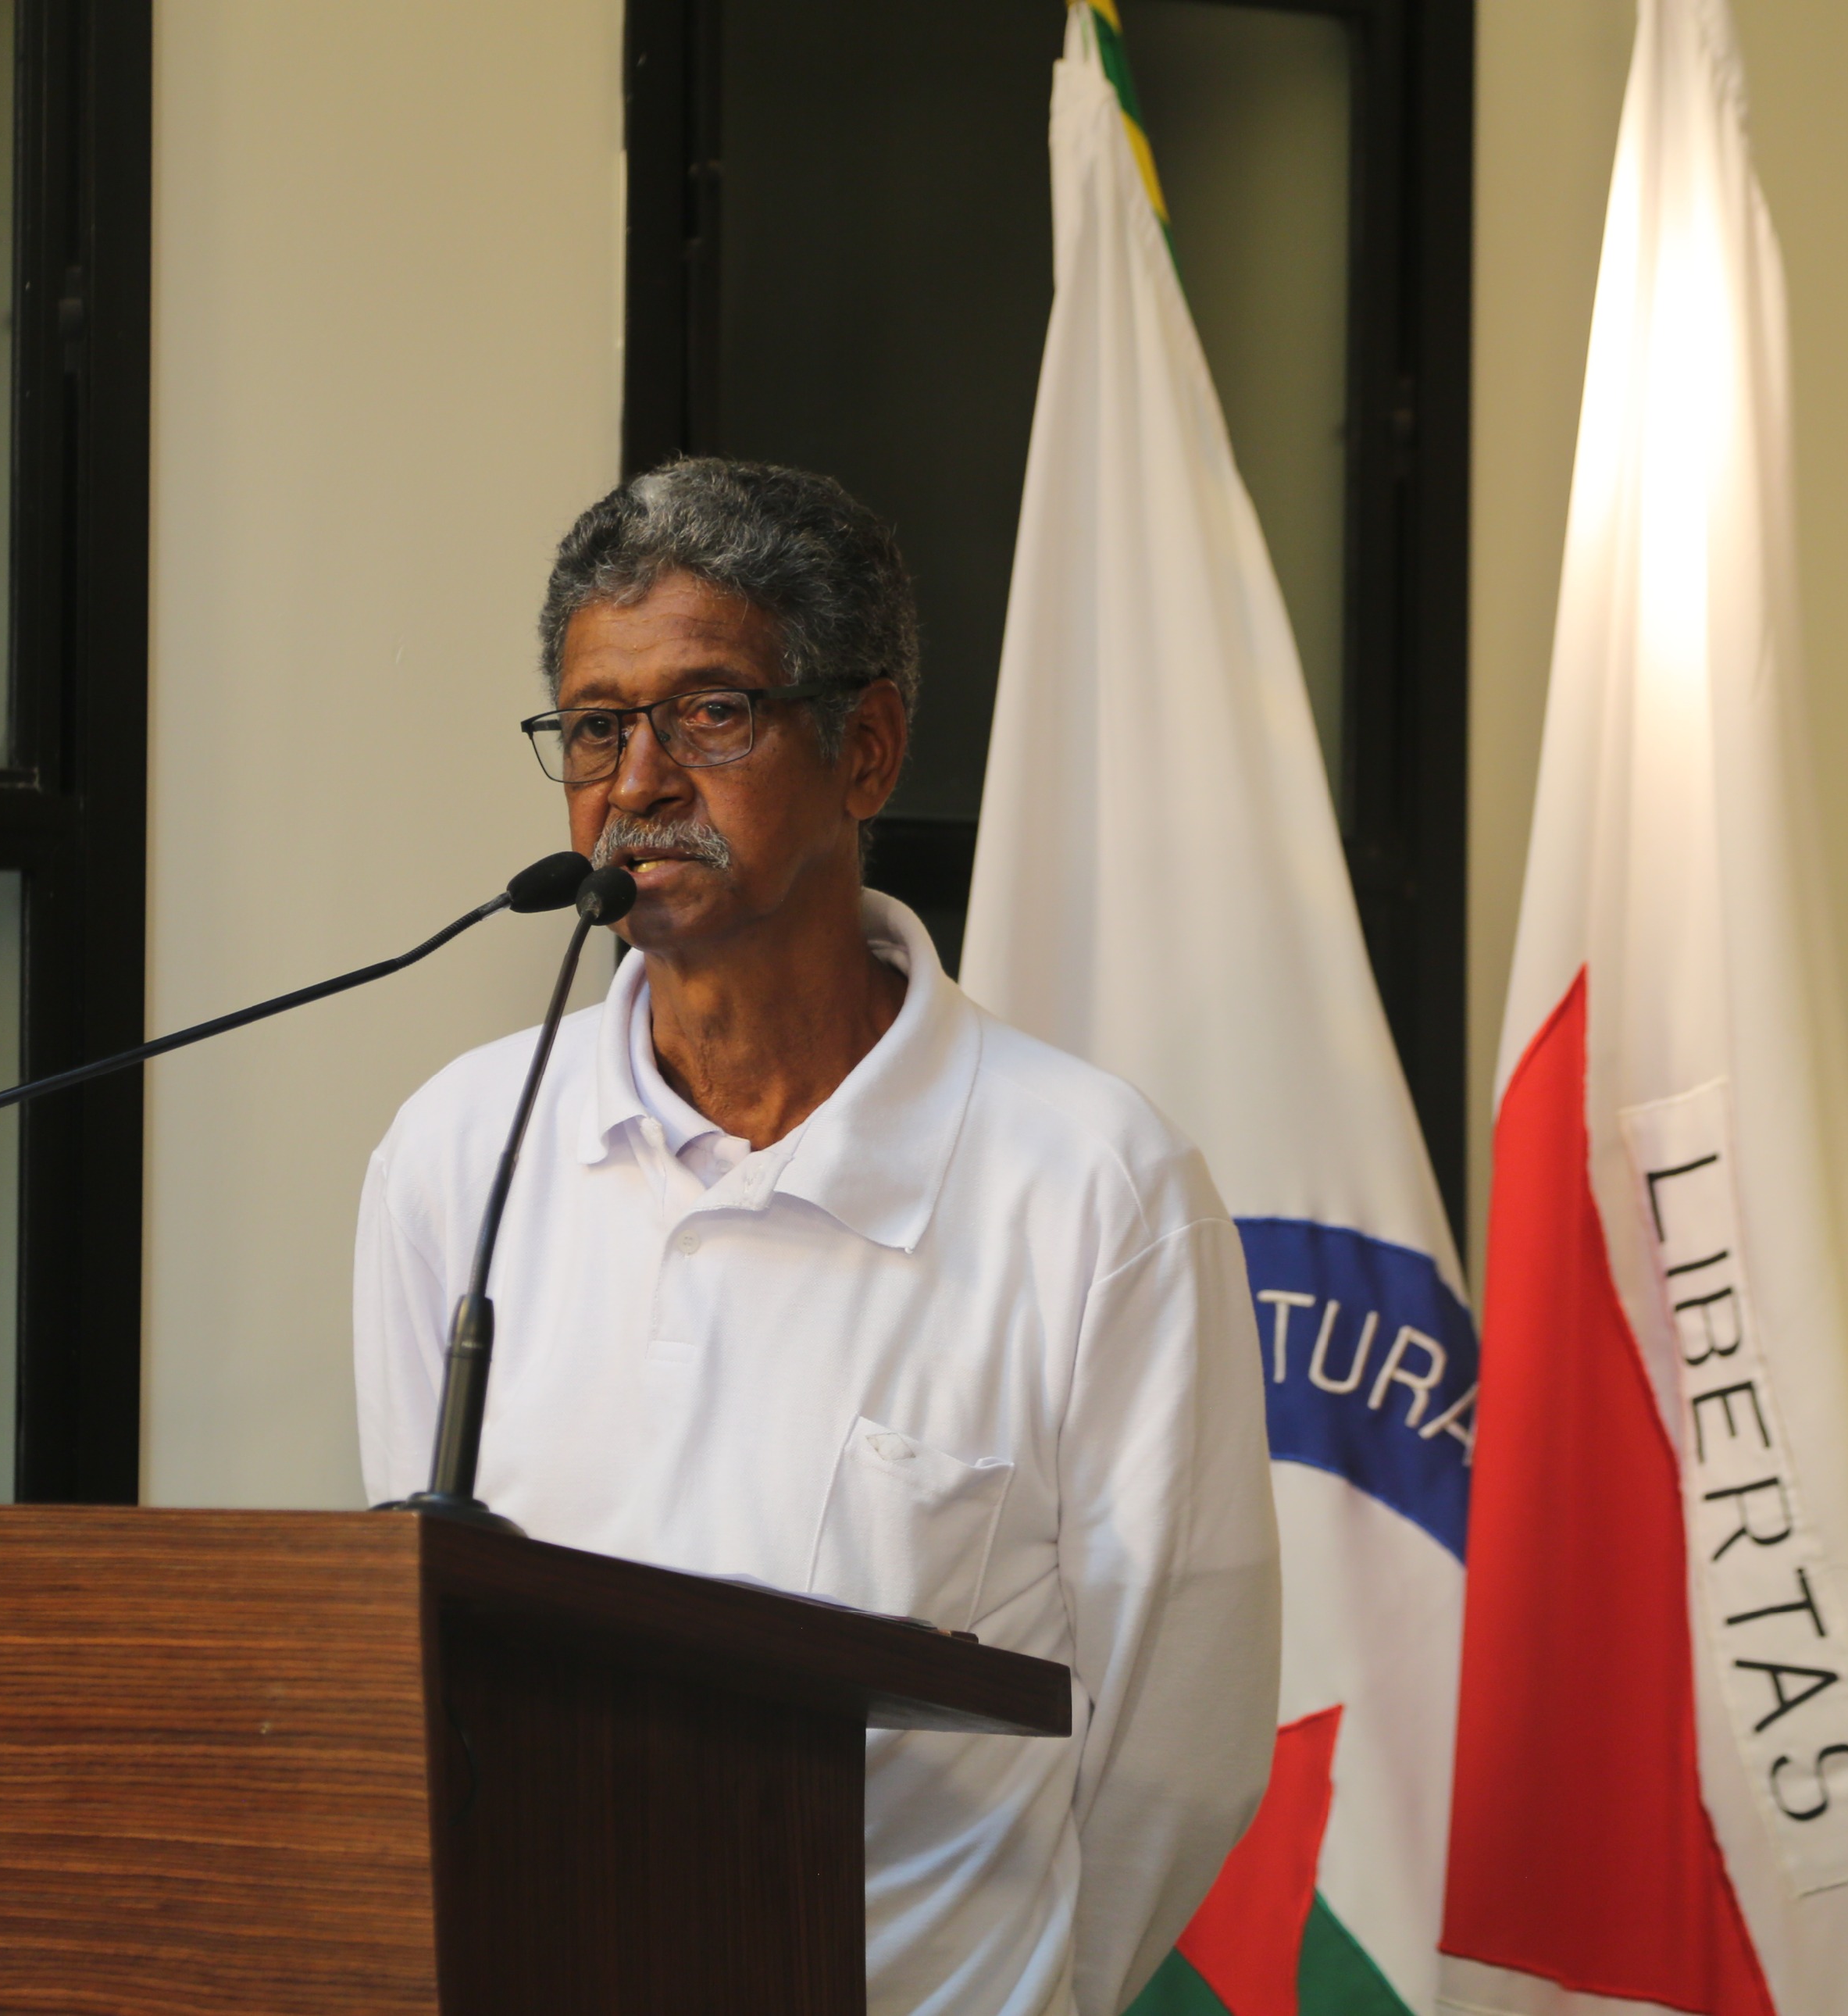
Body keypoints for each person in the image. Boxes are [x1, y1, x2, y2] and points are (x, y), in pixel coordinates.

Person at [352, 459, 1277, 2016]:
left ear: (866, 748)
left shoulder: (1096, 1185)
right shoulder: (461, 1149)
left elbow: (1172, 1755)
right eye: (596, 726)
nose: (639, 780)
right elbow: (425, 1653)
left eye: (710, 713)